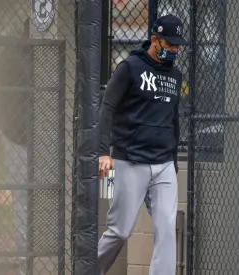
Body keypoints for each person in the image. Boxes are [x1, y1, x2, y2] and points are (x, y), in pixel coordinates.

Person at [98, 14, 187, 275]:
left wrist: (172, 160)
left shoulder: (176, 75)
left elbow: (173, 119)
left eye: (177, 45)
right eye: (170, 44)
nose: (175, 49)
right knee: (120, 231)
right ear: (155, 39)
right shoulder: (130, 67)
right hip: (130, 160)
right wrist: (104, 152)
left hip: (163, 165)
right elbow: (107, 108)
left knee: (166, 228)